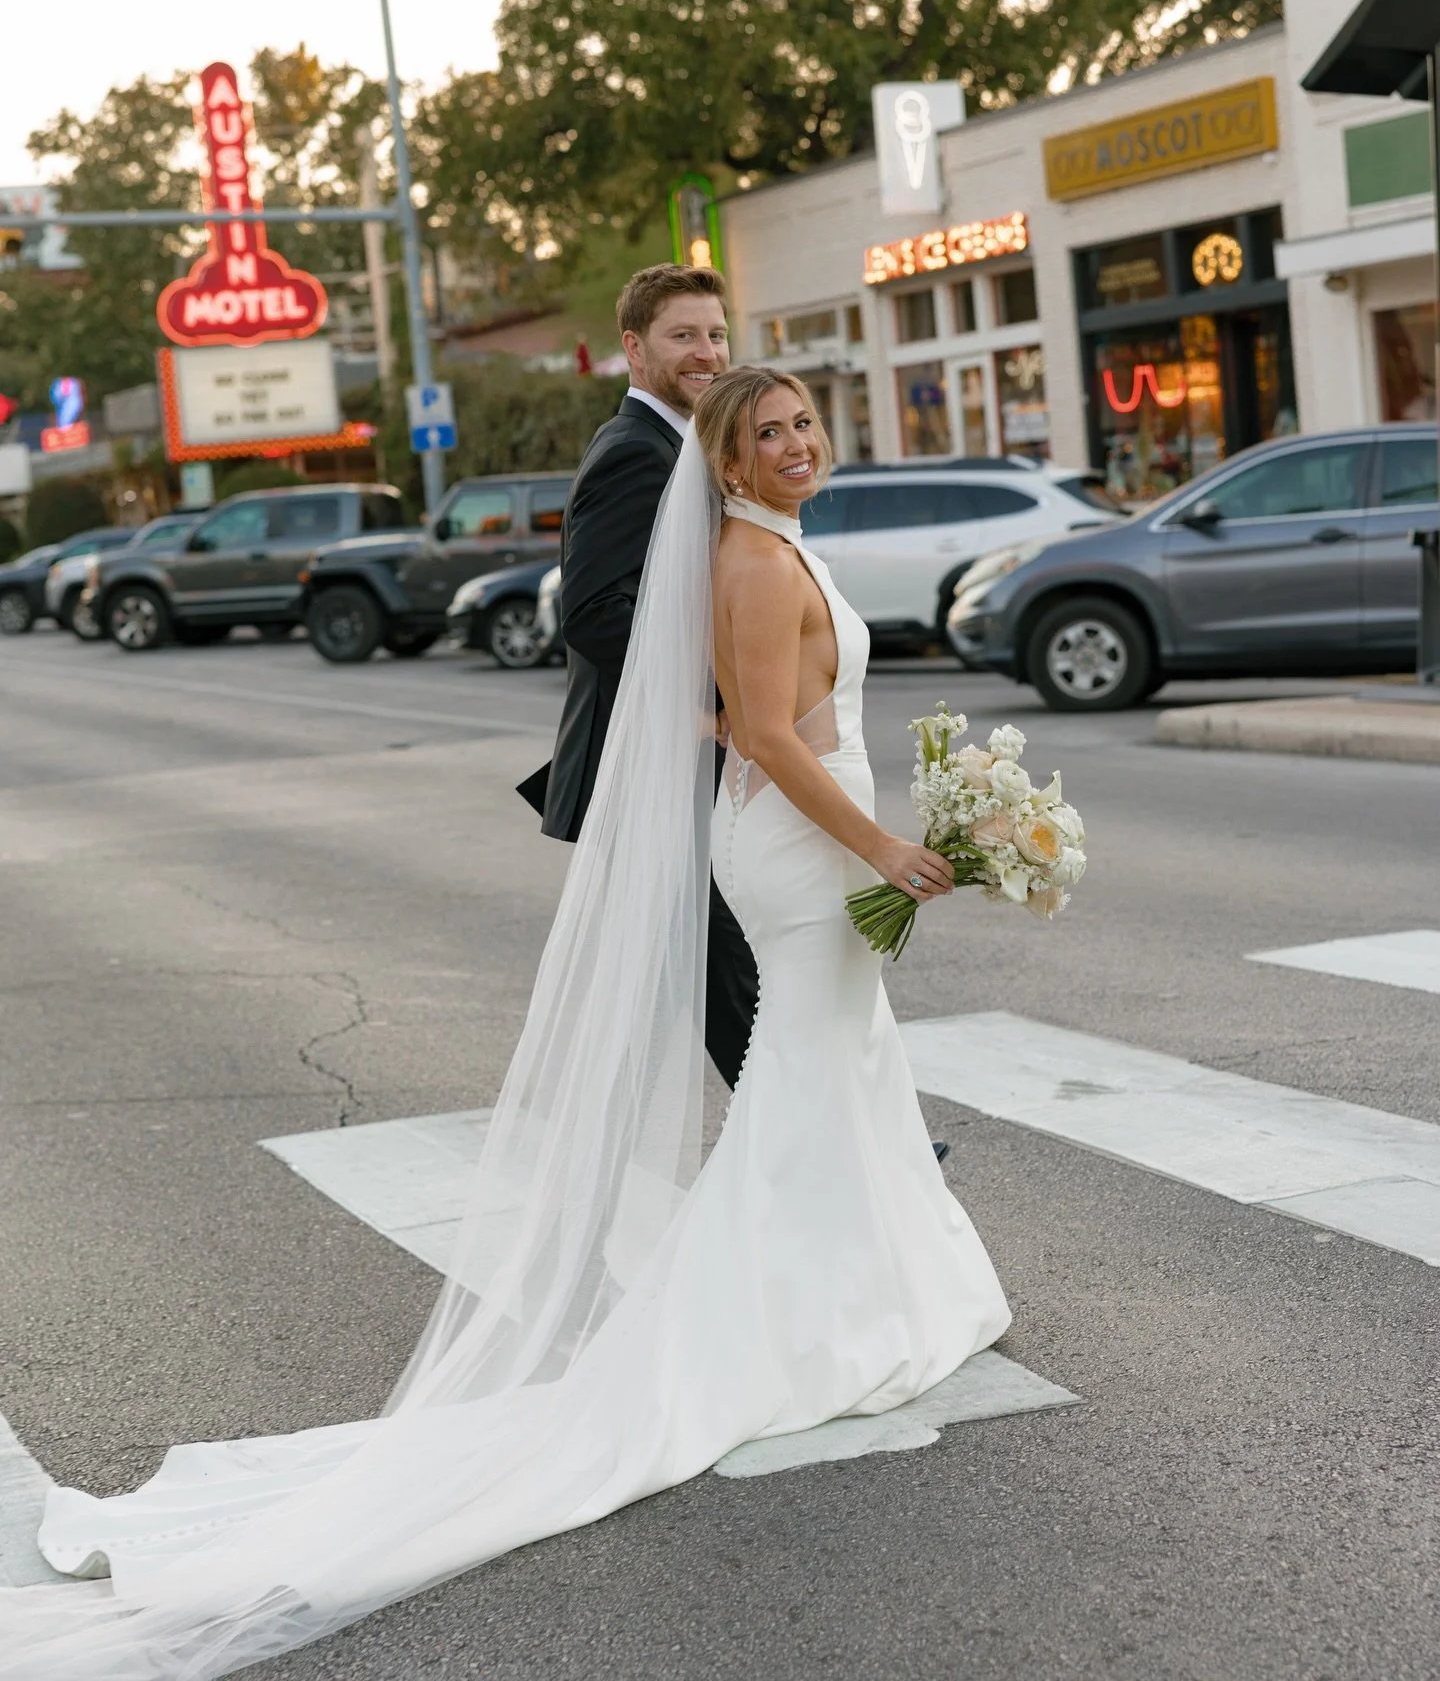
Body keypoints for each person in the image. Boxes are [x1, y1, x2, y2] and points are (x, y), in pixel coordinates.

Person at [2, 369, 1009, 1679]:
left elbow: (733, 713)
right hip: (809, 853)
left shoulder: (769, 546)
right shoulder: (754, 565)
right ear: (731, 457)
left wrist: (874, 804)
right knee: (809, 1073)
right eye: (769, 434)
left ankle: (857, 1283)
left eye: (807, 422)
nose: (796, 443)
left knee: (841, 1065)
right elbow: (759, 724)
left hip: (809, 842)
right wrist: (878, 838)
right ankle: (774, 1319)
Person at [519, 262, 758, 1089]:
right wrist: (711, 699)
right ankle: (825, 1141)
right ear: (635, 348)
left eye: (716, 333)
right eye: (682, 335)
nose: (707, 352)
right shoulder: (635, 452)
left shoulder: (680, 443)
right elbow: (591, 613)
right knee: (724, 957)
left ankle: (818, 1140)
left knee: (717, 959)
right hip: (654, 758)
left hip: (677, 758)